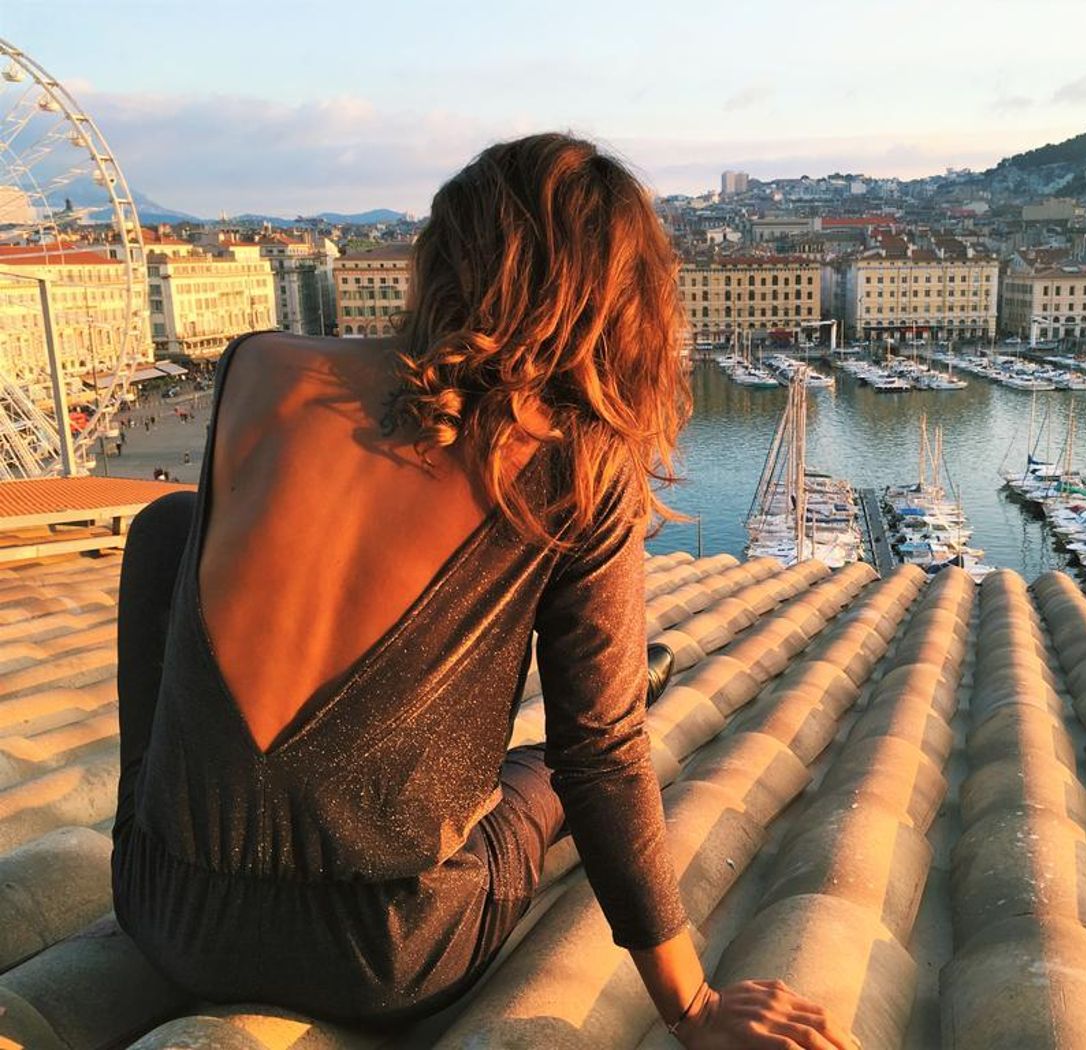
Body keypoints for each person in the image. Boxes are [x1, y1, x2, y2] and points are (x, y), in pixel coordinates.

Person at [111, 134, 856, 1048]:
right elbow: (604, 758)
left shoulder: (255, 367)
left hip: (167, 908)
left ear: (440, 256)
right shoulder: (578, 459)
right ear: (618, 298)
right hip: (389, 949)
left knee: (164, 528)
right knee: (541, 777)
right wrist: (695, 1009)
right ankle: (635, 686)